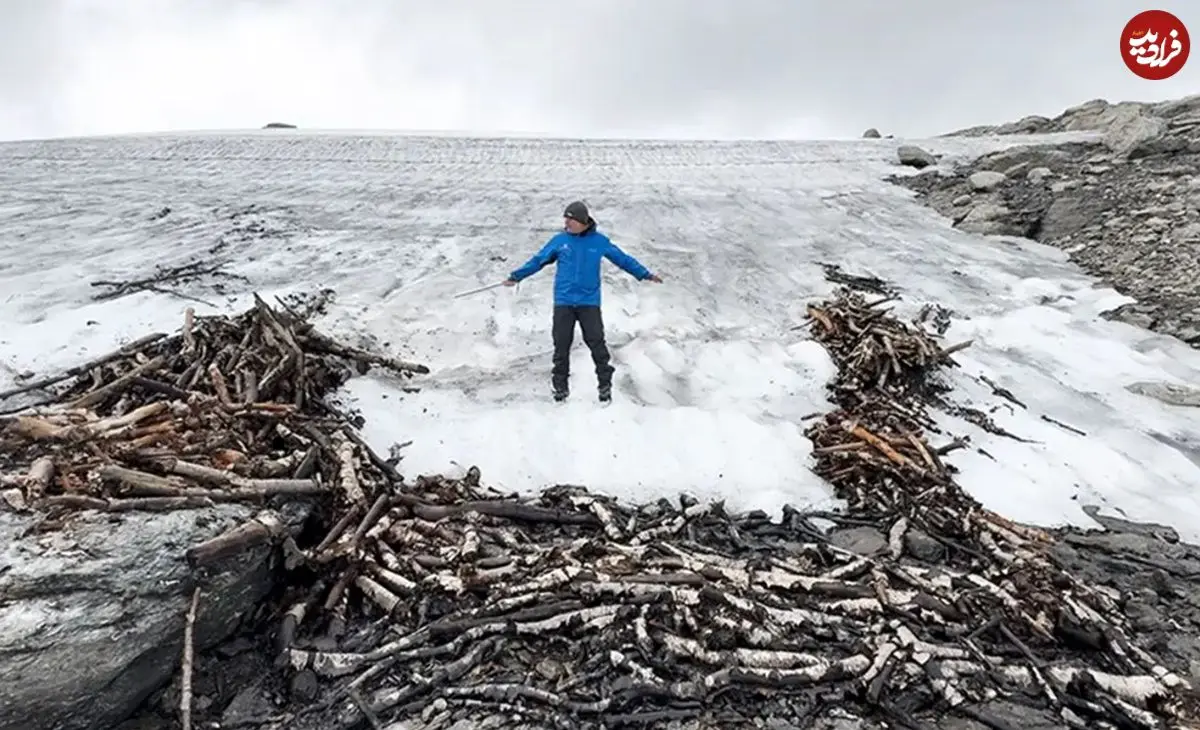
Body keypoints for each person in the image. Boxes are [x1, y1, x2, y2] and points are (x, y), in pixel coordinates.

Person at [504, 201, 663, 403]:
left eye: (570, 219)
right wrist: (516, 276)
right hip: (564, 302)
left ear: (582, 221)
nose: (566, 223)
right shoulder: (560, 241)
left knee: (597, 343)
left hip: (589, 302)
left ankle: (605, 385)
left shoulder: (599, 242)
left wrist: (645, 274)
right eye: (565, 218)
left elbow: (623, 259)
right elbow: (538, 260)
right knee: (561, 345)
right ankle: (560, 389)